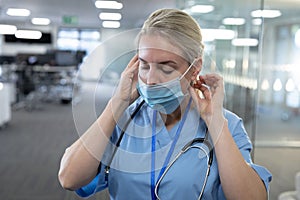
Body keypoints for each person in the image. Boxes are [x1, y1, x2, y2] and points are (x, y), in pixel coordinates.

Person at [58, 8, 272, 200]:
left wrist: (214, 122)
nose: (151, 79)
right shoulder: (124, 119)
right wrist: (117, 103)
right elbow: (69, 178)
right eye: (144, 66)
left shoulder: (227, 125)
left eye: (166, 68)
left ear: (195, 68)